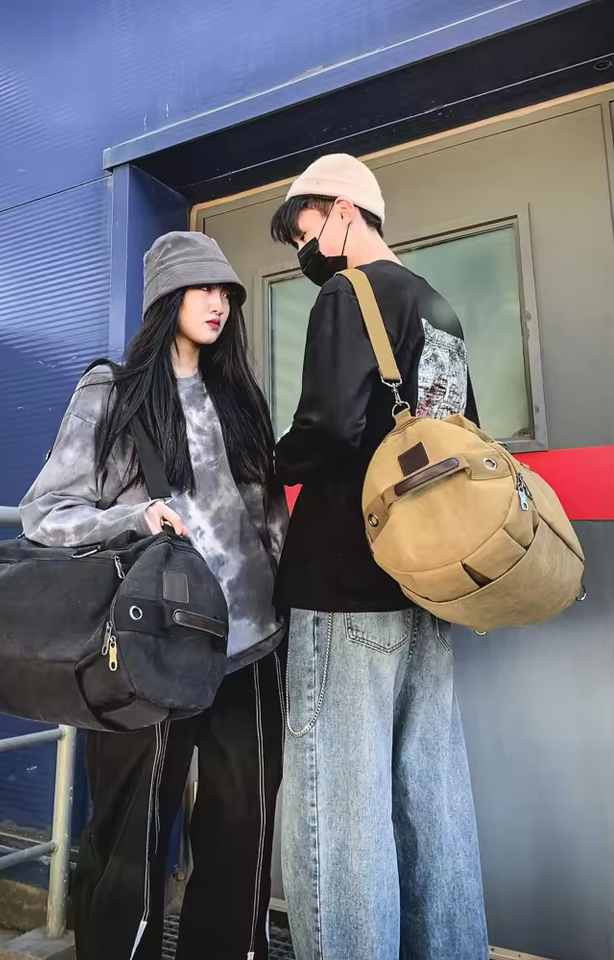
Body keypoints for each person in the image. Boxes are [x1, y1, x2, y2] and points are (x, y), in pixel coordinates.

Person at [20, 232, 288, 960]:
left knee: (243, 832)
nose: (218, 303)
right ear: (167, 296)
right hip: (153, 649)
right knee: (131, 837)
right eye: (203, 288)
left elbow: (267, 522)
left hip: (252, 645)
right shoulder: (112, 391)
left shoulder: (239, 398)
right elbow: (46, 513)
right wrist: (133, 518)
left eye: (226, 292)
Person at [269, 154, 489, 960]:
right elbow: (464, 439)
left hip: (344, 585)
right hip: (428, 587)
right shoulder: (438, 307)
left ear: (342, 210)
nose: (306, 253)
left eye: (306, 233)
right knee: (433, 802)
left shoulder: (348, 293)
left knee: (342, 813)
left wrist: (265, 462)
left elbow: (328, 425)